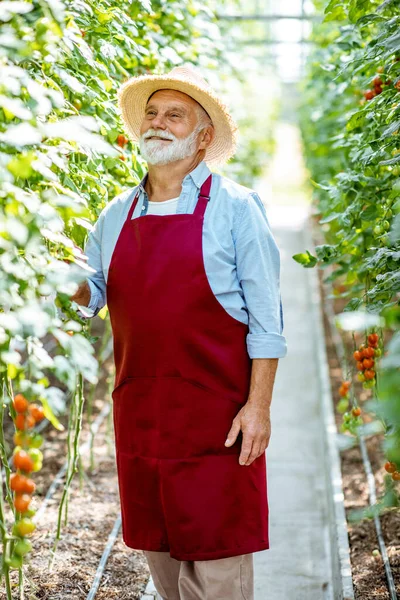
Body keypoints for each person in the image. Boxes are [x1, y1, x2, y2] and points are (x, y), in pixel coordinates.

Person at [70, 65, 287, 600]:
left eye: (175, 114)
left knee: (217, 578)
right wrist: (63, 277)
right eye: (152, 113)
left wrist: (258, 407)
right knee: (163, 570)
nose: (158, 123)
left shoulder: (237, 210)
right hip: (142, 418)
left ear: (203, 136)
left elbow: (266, 321)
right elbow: (93, 294)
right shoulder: (117, 213)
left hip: (218, 423)